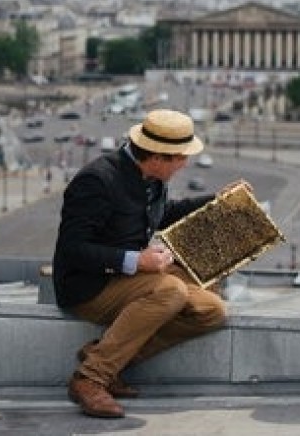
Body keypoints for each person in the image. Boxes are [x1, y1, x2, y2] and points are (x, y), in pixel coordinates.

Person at [53, 108, 243, 419]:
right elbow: (73, 249)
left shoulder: (150, 177)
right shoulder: (97, 181)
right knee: (170, 291)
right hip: (89, 285)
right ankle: (90, 378)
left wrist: (216, 200)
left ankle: (104, 354)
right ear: (157, 156)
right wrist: (135, 260)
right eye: (180, 157)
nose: (184, 164)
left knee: (212, 310)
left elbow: (161, 213)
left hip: (129, 276)